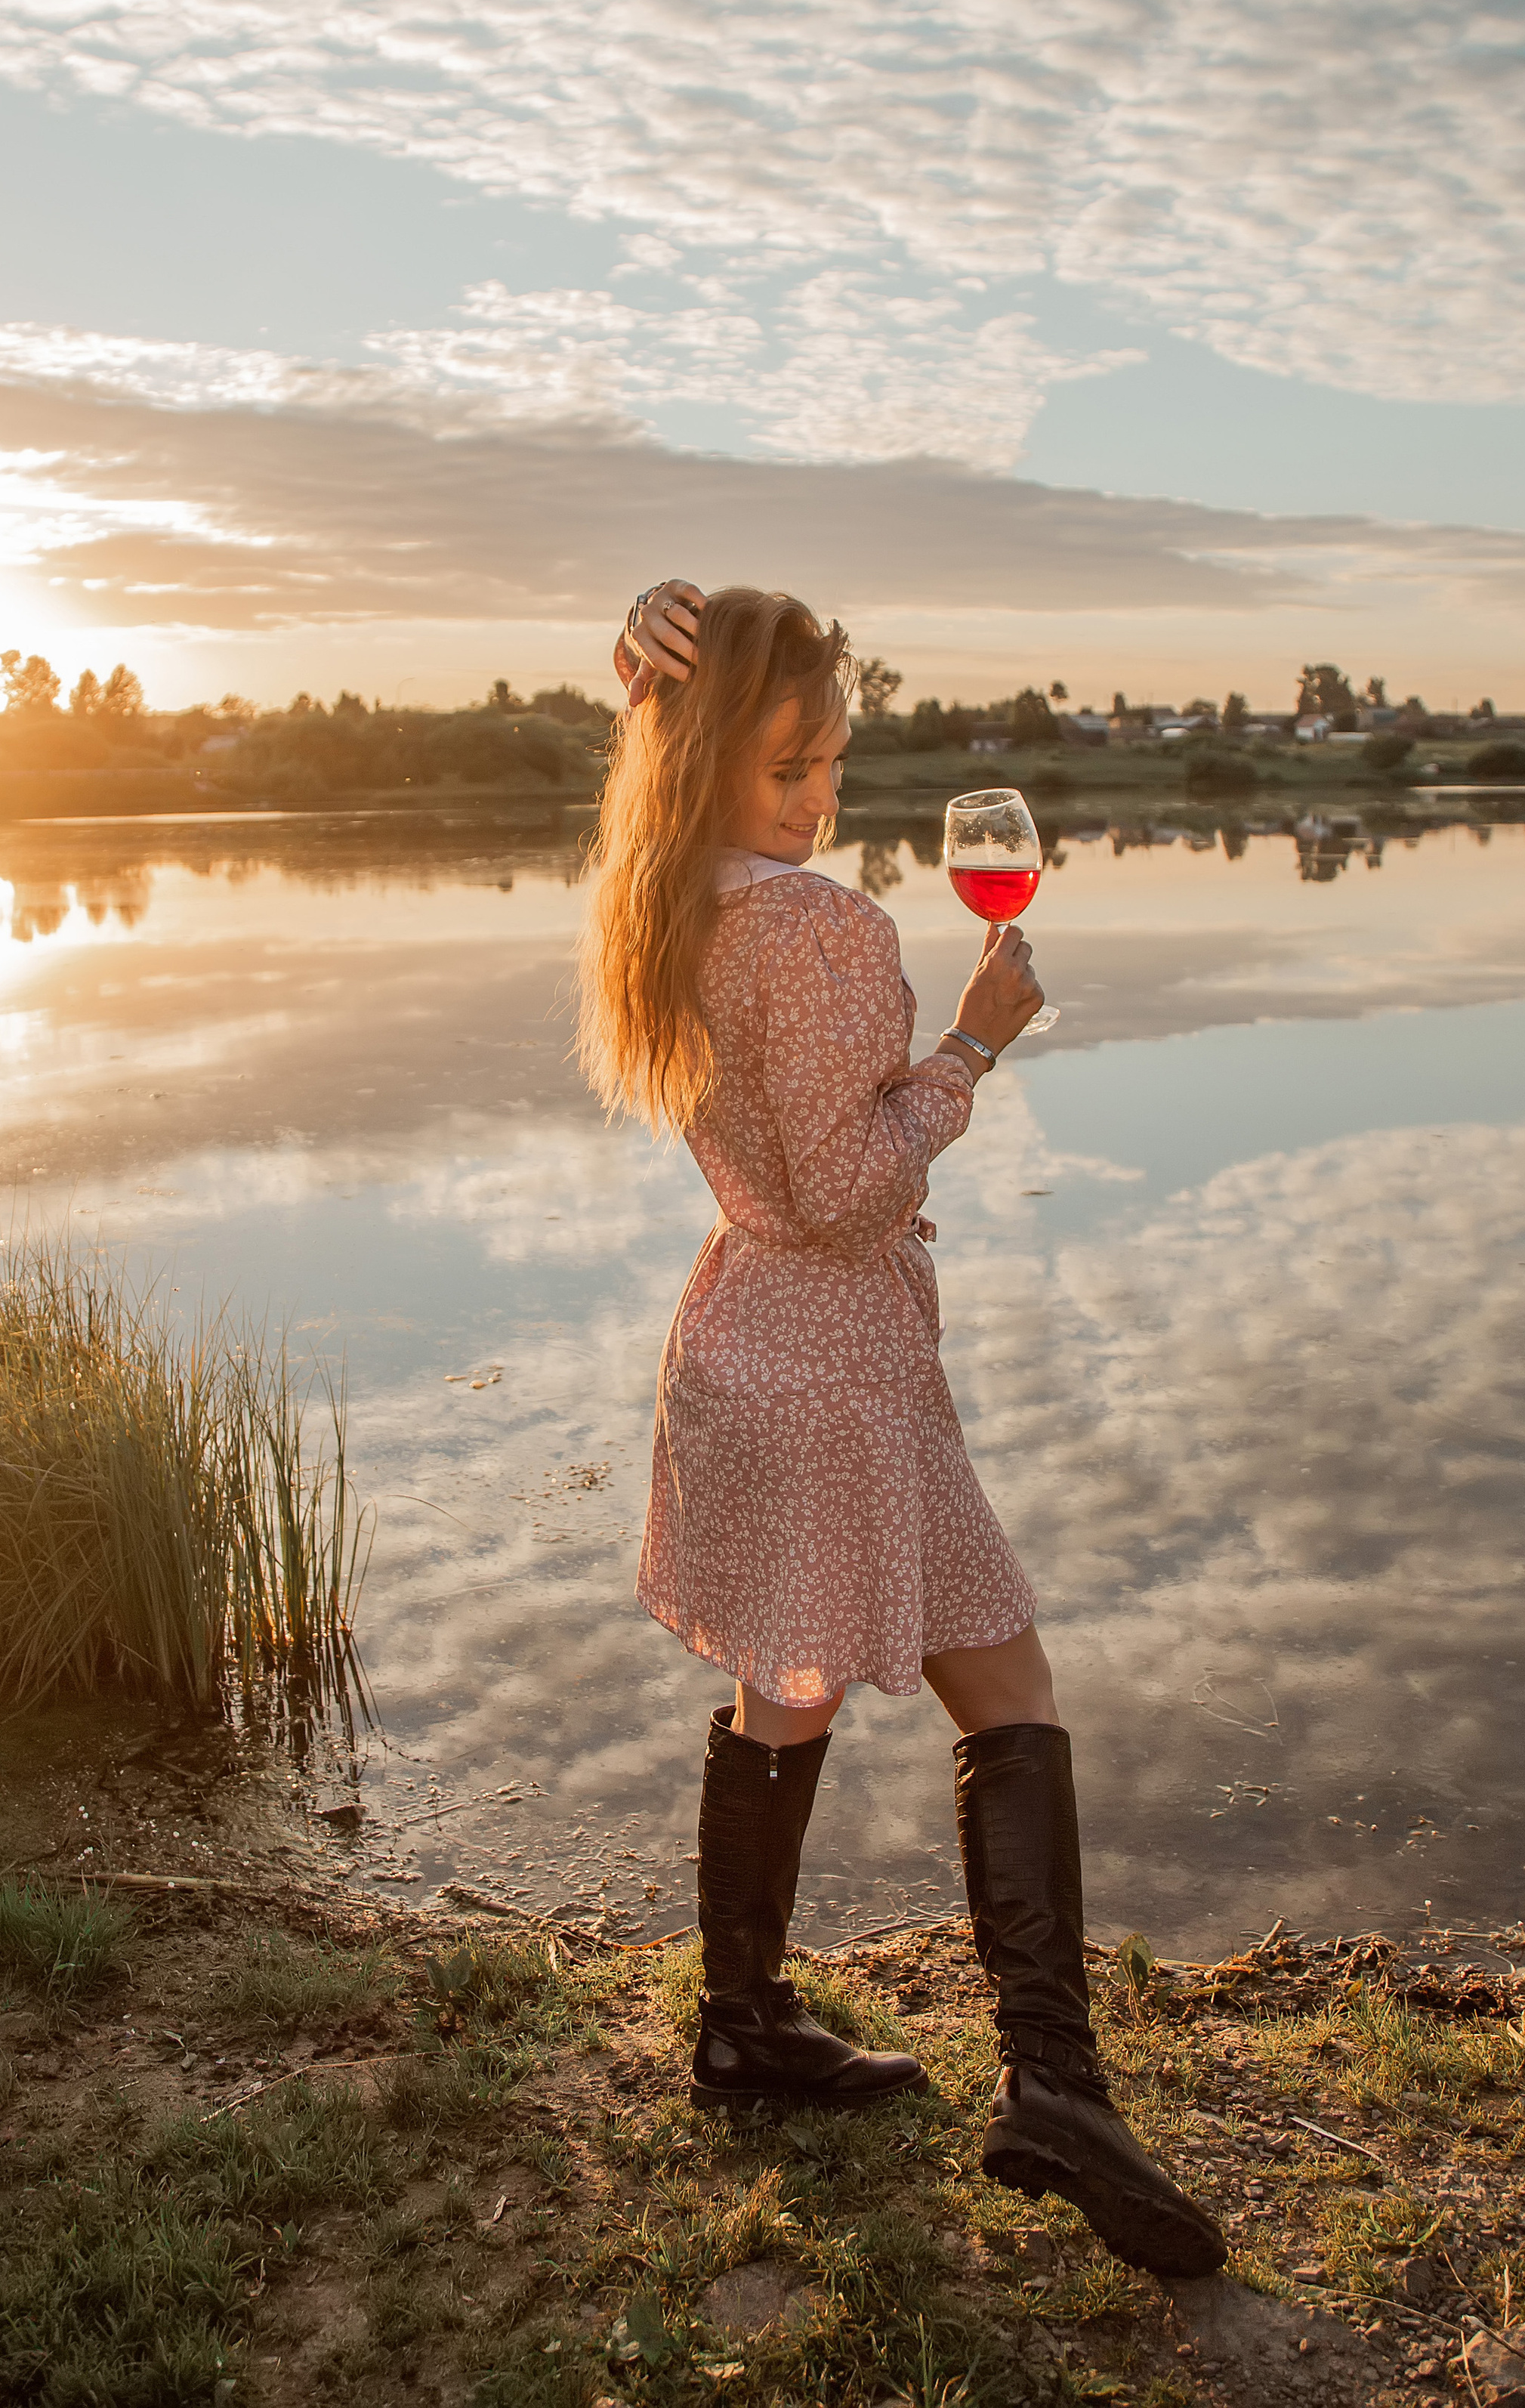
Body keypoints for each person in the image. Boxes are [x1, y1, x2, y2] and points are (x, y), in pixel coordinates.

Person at [579, 579, 1223, 2281]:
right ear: (708, 759)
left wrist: (645, 665)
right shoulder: (819, 932)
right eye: (785, 768)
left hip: (744, 1339)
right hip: (839, 1364)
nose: (817, 800)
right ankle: (1053, 2087)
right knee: (1006, 1683)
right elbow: (851, 1193)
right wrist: (971, 1047)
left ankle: (743, 2027)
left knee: (784, 1683)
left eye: (831, 765)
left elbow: (782, 1179)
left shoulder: (658, 898)